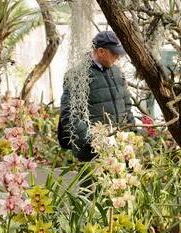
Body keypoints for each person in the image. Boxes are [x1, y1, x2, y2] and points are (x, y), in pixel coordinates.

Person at [58, 31, 135, 162]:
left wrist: (131, 131)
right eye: (114, 53)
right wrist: (92, 141)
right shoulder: (77, 75)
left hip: (120, 150)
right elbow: (69, 114)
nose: (118, 57)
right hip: (92, 153)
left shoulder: (117, 72)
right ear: (100, 51)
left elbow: (126, 104)